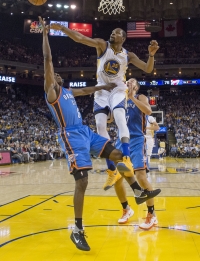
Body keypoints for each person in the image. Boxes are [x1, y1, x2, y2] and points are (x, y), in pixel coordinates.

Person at [39, 16, 131, 252]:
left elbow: (89, 89)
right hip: (70, 136)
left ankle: (136, 190)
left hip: (85, 132)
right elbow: (48, 59)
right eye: (54, 74)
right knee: (83, 181)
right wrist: (46, 34)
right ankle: (78, 230)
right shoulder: (53, 91)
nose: (57, 75)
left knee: (117, 154)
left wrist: (104, 87)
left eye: (58, 75)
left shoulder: (68, 91)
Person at [50, 22, 160, 189]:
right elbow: (80, 38)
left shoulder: (128, 55)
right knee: (101, 126)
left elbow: (147, 68)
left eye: (116, 33)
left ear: (123, 38)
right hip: (101, 90)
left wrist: (151, 55)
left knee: (119, 118)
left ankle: (127, 159)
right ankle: (111, 171)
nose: (113, 34)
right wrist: (63, 29)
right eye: (112, 32)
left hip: (117, 89)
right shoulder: (103, 45)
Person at [114, 78, 161, 230]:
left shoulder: (140, 97)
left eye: (132, 81)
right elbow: (110, 120)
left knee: (141, 176)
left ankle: (152, 215)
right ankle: (126, 209)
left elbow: (148, 111)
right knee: (117, 178)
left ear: (136, 86)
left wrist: (132, 96)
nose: (129, 82)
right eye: (128, 81)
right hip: (121, 140)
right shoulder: (120, 99)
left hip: (136, 140)